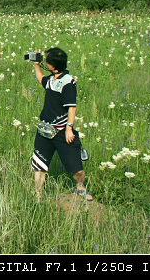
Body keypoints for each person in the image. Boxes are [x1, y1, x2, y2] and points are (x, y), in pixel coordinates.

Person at [31, 47, 92, 201]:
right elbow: (41, 79)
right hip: (45, 129)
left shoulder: (68, 82)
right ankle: (37, 197)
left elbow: (71, 106)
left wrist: (69, 128)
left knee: (76, 168)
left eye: (46, 60)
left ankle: (80, 187)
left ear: (54, 65)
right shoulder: (52, 79)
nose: (45, 61)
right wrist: (36, 65)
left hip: (62, 131)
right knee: (39, 166)